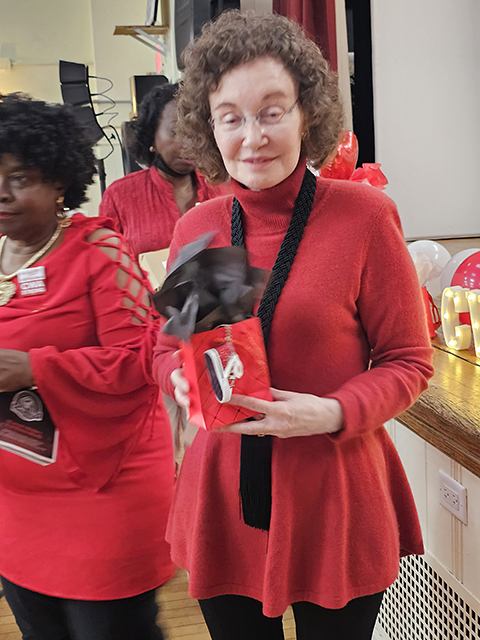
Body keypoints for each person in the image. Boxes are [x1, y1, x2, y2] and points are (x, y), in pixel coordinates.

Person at [152, 11, 434, 640]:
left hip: (332, 490)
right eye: (231, 117)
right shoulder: (201, 228)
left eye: (272, 111)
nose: (252, 137)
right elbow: (169, 350)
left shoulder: (363, 217)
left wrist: (330, 412)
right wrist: (178, 378)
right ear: (209, 127)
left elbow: (409, 361)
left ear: (306, 113)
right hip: (224, 494)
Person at [0, 93, 174, 640]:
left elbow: (141, 358)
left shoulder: (100, 250)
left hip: (104, 488)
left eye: (20, 178)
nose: (2, 192)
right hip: (16, 496)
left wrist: (35, 367)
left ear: (59, 182)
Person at [99, 83, 229, 259]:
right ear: (151, 136)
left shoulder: (223, 188)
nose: (189, 142)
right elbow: (105, 263)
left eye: (195, 132)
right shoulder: (119, 196)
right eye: (176, 131)